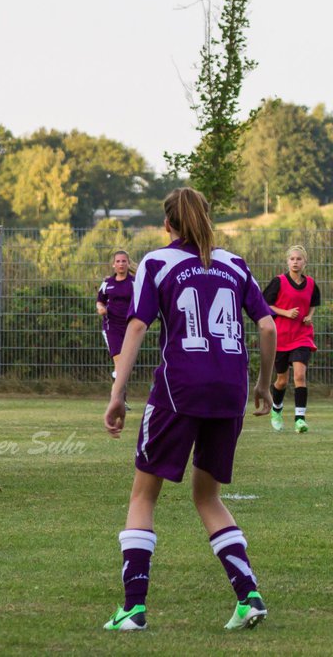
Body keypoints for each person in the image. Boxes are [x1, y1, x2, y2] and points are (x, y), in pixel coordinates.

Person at [102, 188, 277, 633]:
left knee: (144, 495)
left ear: (168, 225)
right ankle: (249, 595)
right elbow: (268, 323)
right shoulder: (235, 263)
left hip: (179, 390)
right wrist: (260, 383)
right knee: (208, 496)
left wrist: (118, 393)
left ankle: (133, 610)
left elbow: (138, 324)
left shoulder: (157, 262)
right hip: (229, 392)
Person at [263, 244, 320, 433]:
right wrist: (286, 313)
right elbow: (266, 305)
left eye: (299, 259)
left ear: (305, 262)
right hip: (282, 338)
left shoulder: (311, 284)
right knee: (281, 381)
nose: (295, 262)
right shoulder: (278, 282)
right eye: (292, 259)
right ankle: (276, 410)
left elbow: (313, 303)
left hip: (302, 337)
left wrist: (310, 315)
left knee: (300, 376)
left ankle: (299, 420)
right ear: (287, 261)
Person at [97, 251, 134, 404]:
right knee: (120, 364)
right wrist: (100, 308)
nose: (121, 264)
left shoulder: (134, 283)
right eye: (118, 261)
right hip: (112, 328)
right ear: (113, 264)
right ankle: (118, 401)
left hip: (130, 328)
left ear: (128, 264)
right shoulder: (107, 283)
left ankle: (118, 398)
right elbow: (100, 301)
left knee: (125, 366)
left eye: (124, 261)